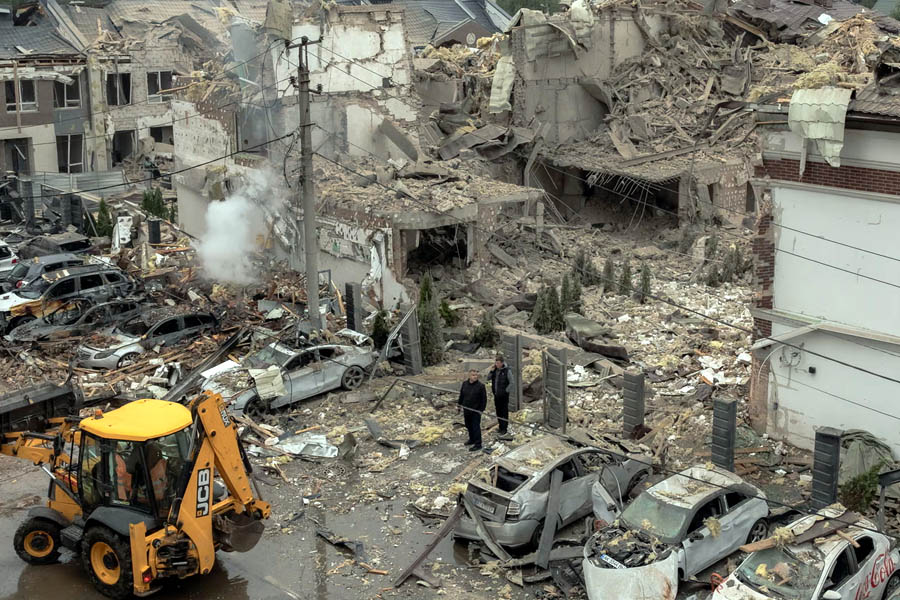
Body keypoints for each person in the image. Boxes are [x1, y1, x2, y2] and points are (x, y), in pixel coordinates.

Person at [458, 369, 487, 451]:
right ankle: (472, 439)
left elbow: (484, 399)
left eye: (476, 375)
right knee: (468, 425)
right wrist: (459, 405)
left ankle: (478, 444)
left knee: (475, 427)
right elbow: (462, 395)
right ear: (469, 376)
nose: (475, 376)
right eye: (473, 375)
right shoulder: (465, 384)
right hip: (466, 409)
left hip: (476, 411)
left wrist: (481, 410)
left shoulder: (481, 386)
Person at [489, 355, 513, 441]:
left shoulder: (507, 371)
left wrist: (506, 391)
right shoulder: (495, 370)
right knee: (498, 411)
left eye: (498, 363)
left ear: (502, 363)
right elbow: (488, 378)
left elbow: (511, 382)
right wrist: (491, 371)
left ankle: (504, 428)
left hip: (503, 396)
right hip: (496, 395)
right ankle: (500, 426)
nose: (497, 364)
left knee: (504, 412)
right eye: (496, 363)